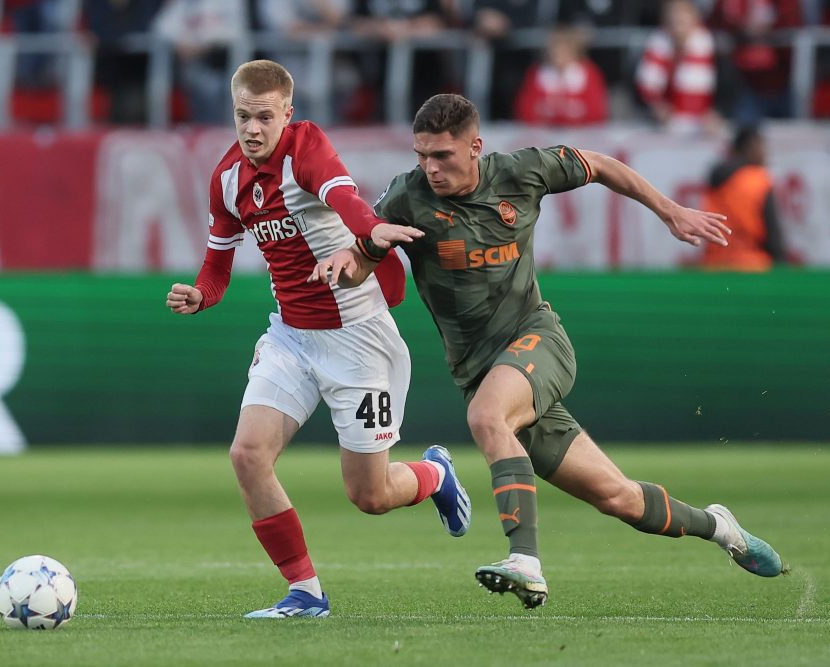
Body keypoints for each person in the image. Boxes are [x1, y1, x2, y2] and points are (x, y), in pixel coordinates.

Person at [309, 93, 787, 609]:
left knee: (486, 417)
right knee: (618, 498)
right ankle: (721, 528)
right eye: (422, 154)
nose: (431, 167)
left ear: (475, 147)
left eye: (442, 155)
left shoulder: (522, 172)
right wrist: (358, 256)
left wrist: (668, 211)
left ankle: (525, 563)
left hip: (536, 340)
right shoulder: (407, 195)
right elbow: (362, 257)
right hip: (479, 369)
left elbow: (599, 165)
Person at [165, 61, 471, 619]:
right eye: (242, 116)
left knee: (370, 496)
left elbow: (344, 196)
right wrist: (201, 296)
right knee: (247, 455)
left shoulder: (306, 147)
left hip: (357, 337)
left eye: (263, 116)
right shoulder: (227, 179)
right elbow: (217, 267)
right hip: (291, 338)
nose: (252, 129)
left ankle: (434, 475)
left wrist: (370, 229)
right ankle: (305, 592)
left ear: (288, 112)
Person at [701, 124, 785, 270]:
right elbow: (773, 234)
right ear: (749, 147)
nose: (765, 153)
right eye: (761, 146)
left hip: (714, 266)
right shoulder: (759, 180)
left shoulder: (714, 181)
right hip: (752, 266)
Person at [635, 0, 719, 134]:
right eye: (673, 23)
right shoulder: (657, 46)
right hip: (665, 124)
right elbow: (646, 86)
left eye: (682, 23)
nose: (678, 28)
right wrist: (657, 106)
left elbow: (716, 87)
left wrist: (714, 112)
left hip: (701, 123)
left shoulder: (706, 45)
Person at [513, 24, 608, 126]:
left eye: (564, 51)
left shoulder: (588, 73)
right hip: (544, 134)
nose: (558, 56)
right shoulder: (537, 73)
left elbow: (597, 112)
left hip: (581, 134)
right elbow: (525, 110)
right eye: (555, 51)